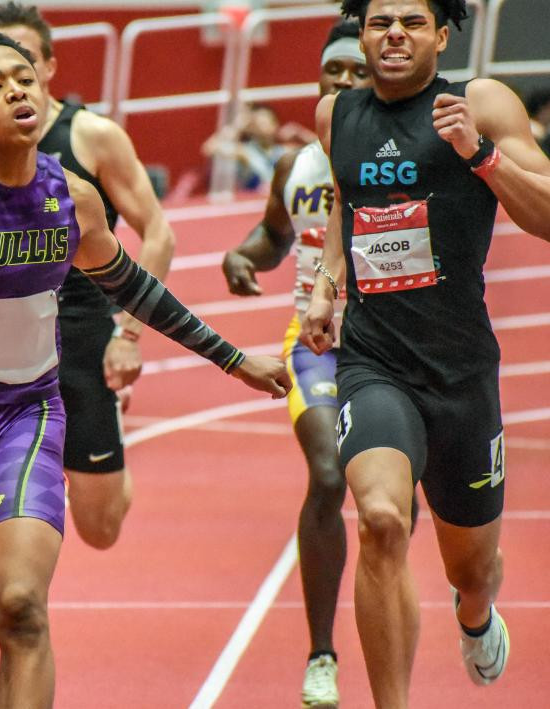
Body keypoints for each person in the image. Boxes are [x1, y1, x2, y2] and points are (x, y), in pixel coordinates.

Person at [0, 31, 291, 707]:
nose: (17, 90)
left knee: (23, 607)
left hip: (26, 419)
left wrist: (235, 361)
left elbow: (134, 285)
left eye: (23, 77)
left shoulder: (73, 196)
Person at [300, 2, 550, 707]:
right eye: (381, 22)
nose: (394, 35)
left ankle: (474, 617)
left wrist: (481, 154)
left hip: (462, 371)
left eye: (412, 22)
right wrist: (327, 282)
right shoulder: (334, 115)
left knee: (472, 569)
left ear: (441, 35)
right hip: (374, 362)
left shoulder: (480, 103)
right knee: (381, 517)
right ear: (363, 32)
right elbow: (346, 204)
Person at [0, 1, 178, 550]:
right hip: (3, 346)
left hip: (82, 337)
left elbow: (158, 233)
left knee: (99, 528)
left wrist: (129, 334)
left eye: (26, 62)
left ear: (50, 66)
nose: (13, 78)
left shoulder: (91, 135)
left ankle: (105, 439)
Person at [222, 20, 373, 708]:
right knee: (327, 472)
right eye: (331, 74)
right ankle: (322, 654)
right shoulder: (297, 165)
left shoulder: (397, 154)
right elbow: (274, 234)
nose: (342, 84)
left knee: (404, 495)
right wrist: (240, 256)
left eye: (356, 73)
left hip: (397, 338)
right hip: (314, 338)